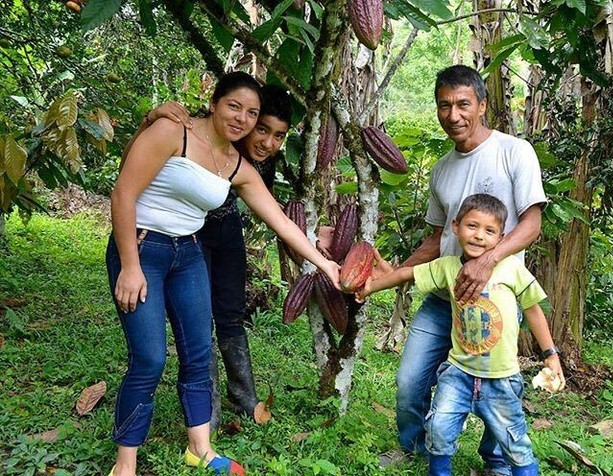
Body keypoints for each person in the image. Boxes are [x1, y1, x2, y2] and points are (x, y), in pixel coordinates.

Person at [106, 72, 340, 476]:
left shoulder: (238, 165)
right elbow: (123, 192)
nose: (243, 119)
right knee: (149, 359)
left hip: (189, 254)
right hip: (144, 248)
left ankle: (200, 449)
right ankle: (125, 463)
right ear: (214, 102)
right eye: (234, 106)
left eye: (251, 113)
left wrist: (325, 264)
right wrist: (130, 265)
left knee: (198, 354)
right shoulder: (172, 131)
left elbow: (282, 223)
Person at [380, 65, 548, 475]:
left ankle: (497, 462)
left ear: (482, 105)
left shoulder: (514, 151)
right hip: (444, 299)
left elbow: (532, 223)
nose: (453, 115)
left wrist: (488, 261)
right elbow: (438, 239)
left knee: (498, 382)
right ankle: (413, 445)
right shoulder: (441, 169)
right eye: (444, 105)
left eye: (462, 104)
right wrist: (392, 272)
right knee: (409, 382)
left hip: (496, 299)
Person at [358, 193, 564, 476]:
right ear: (455, 227)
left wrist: (550, 354)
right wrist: (370, 286)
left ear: (501, 237)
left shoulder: (512, 269)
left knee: (514, 441)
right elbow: (406, 275)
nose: (479, 236)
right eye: (472, 226)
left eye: (489, 230)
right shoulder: (447, 267)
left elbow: (533, 310)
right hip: (458, 373)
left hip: (502, 378)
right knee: (440, 430)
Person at [145, 83, 292, 426]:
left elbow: (270, 209)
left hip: (226, 234)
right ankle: (204, 414)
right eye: (262, 130)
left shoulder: (258, 160)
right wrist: (152, 116)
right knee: (199, 321)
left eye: (279, 136)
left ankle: (245, 400)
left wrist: (313, 237)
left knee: (230, 313)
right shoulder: (207, 138)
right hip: (188, 236)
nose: (268, 143)